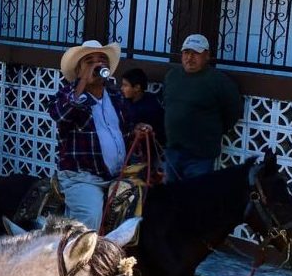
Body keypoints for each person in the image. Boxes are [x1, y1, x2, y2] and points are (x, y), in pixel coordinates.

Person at [47, 39, 151, 231]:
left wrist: (136, 131)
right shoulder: (66, 95)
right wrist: (83, 81)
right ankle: (74, 258)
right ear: (79, 69)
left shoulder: (115, 96)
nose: (97, 64)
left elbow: (124, 131)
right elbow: (60, 115)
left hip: (117, 174)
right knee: (89, 221)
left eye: (101, 60)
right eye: (89, 61)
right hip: (82, 177)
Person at [163, 33, 242, 181]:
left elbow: (233, 112)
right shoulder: (172, 76)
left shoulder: (219, 81)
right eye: (186, 52)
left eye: (195, 53)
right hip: (173, 151)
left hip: (200, 156)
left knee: (196, 199)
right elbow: (166, 103)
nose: (189, 58)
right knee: (171, 198)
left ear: (207, 56)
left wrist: (213, 131)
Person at [120, 67, 165, 144]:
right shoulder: (124, 101)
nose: (121, 88)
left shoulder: (151, 108)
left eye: (125, 85)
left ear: (137, 87)